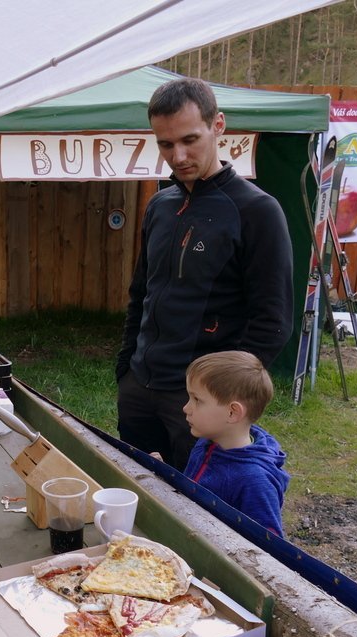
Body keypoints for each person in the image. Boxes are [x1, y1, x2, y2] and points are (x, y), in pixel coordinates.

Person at [116, 76, 294, 471]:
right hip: (139, 388)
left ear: (218, 125)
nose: (178, 156)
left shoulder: (257, 211)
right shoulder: (160, 205)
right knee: (137, 489)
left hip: (201, 403)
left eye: (190, 139)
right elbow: (141, 293)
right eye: (165, 144)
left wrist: (220, 397)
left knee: (196, 501)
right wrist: (126, 368)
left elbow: (273, 321)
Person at [181, 350, 289, 536]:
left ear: (232, 413)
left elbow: (268, 545)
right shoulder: (207, 443)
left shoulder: (254, 482)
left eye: (197, 400)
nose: (186, 408)